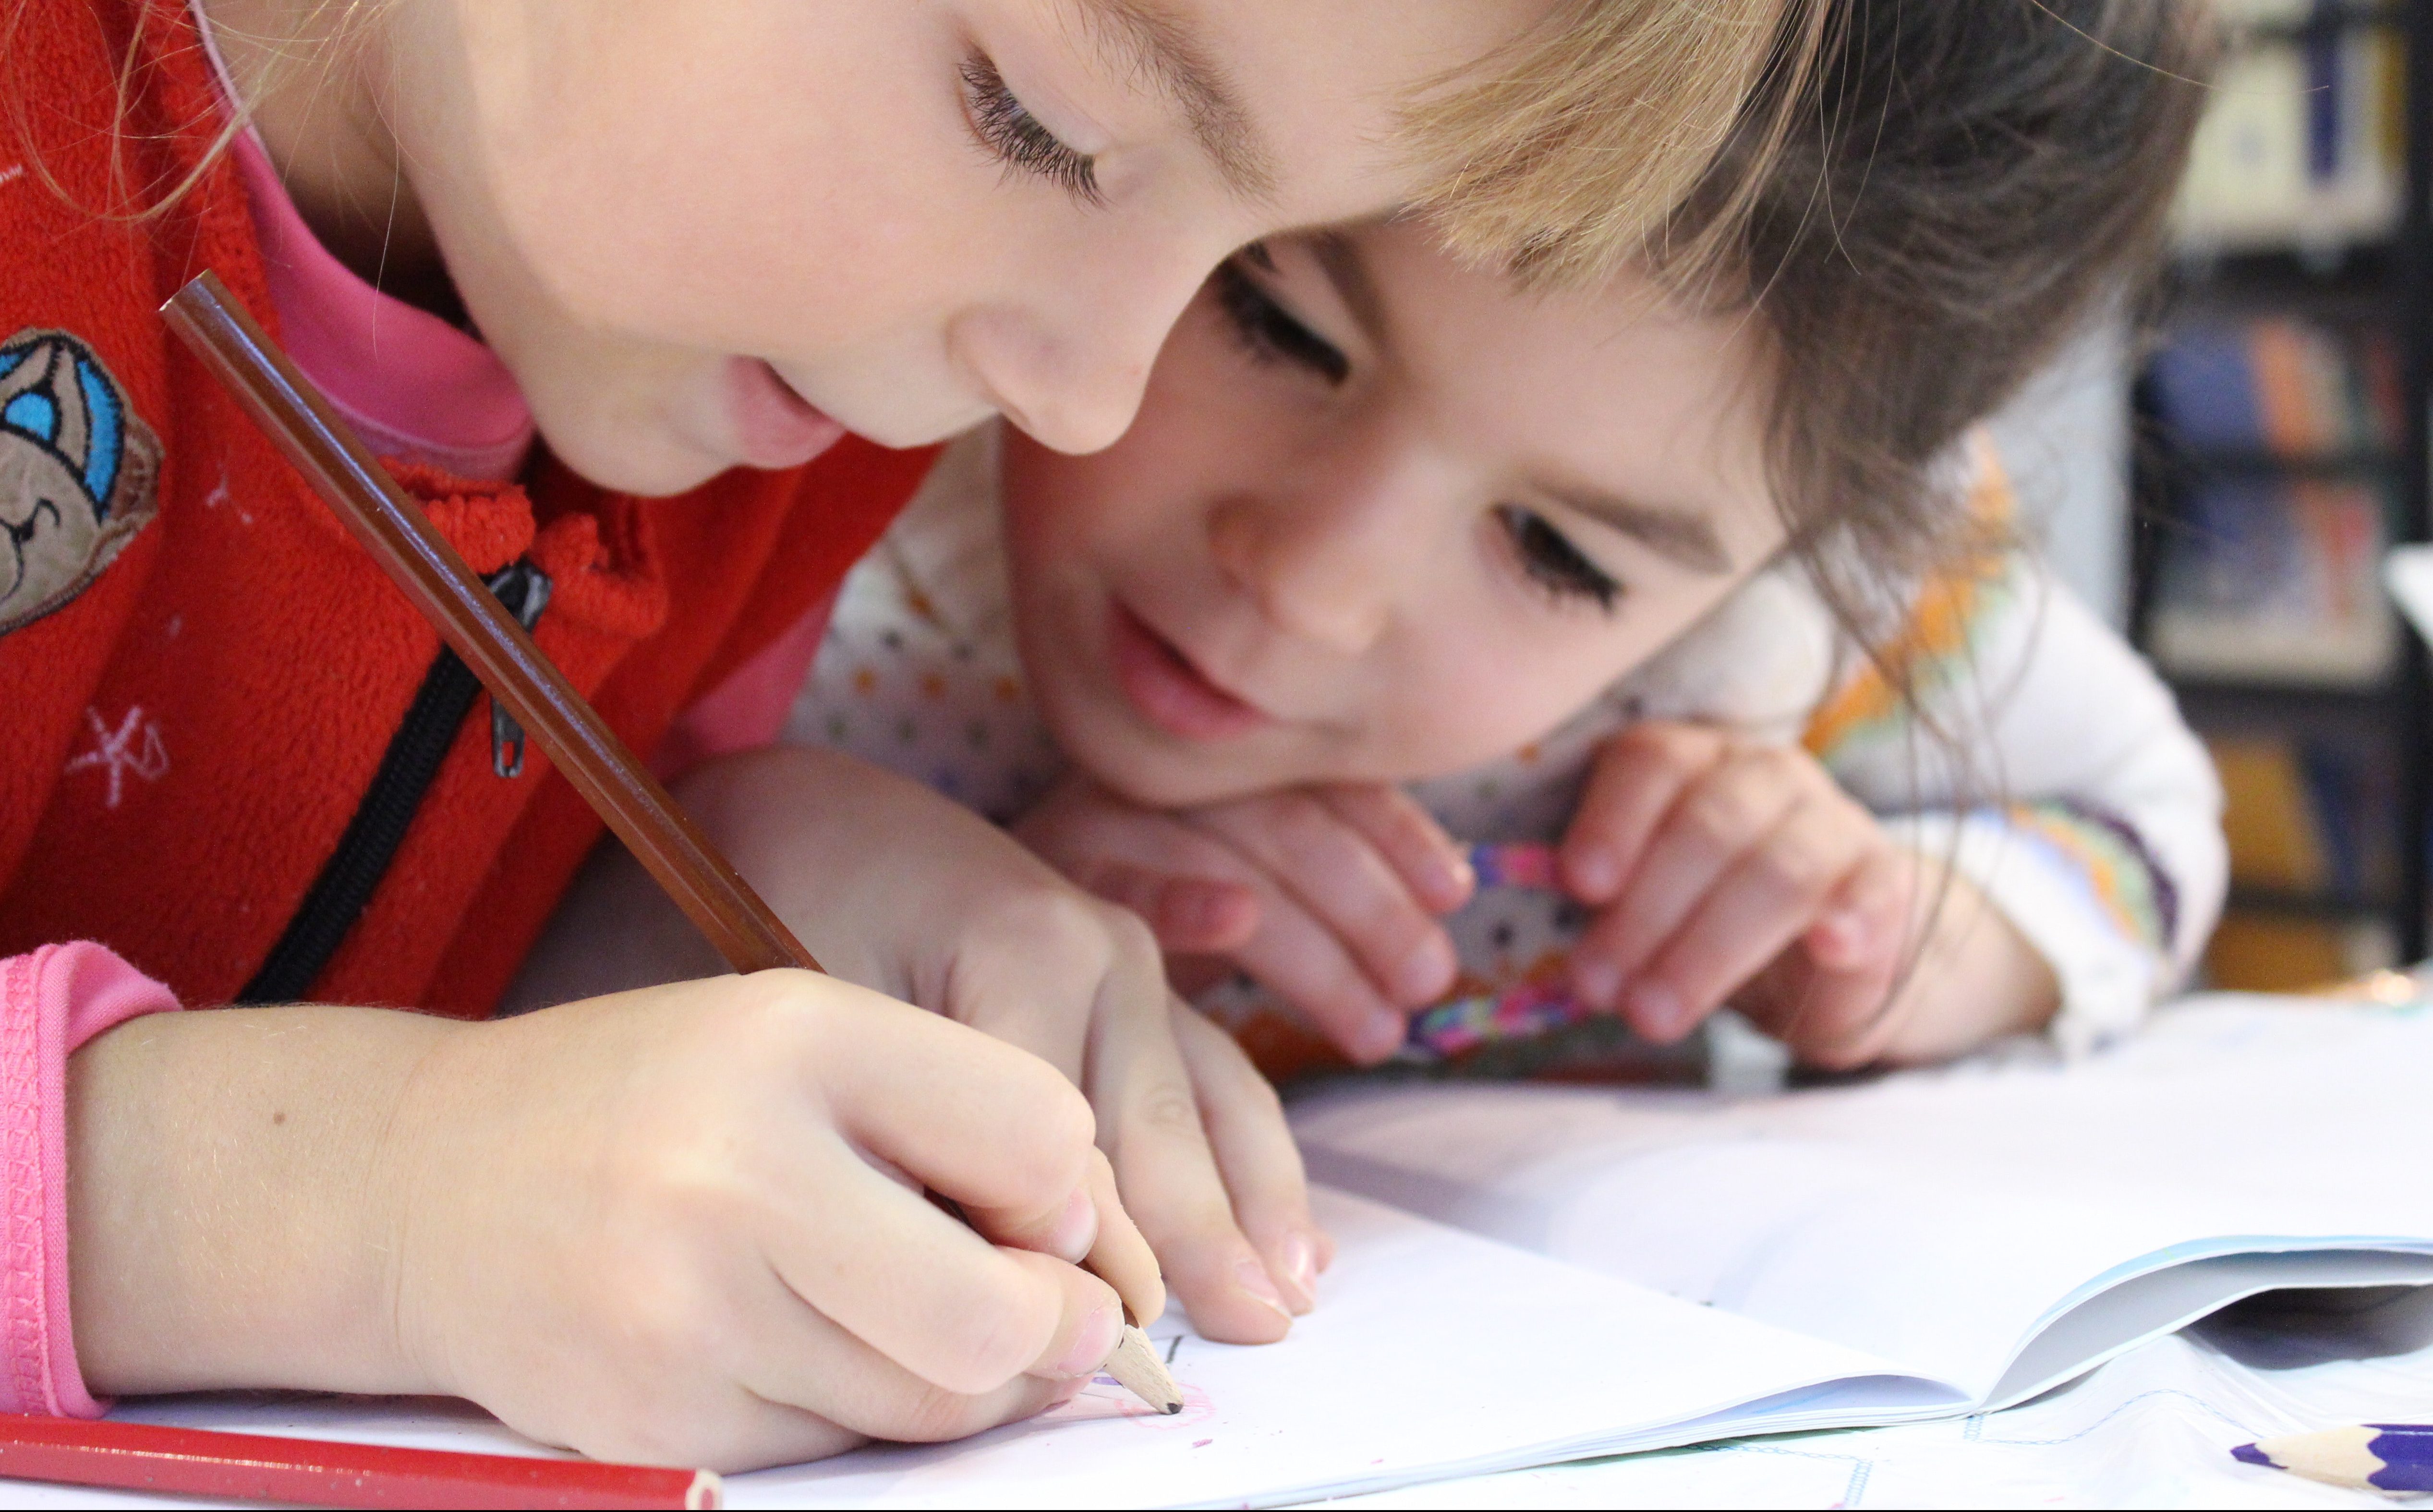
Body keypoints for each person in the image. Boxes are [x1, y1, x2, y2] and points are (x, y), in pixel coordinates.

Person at [0, 0, 1814, 1471]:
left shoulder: (778, 405)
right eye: (1041, 122)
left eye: (1243, 251)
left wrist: (713, 892)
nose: (1088, 396)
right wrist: (373, 1206)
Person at [773, 0, 2226, 1082]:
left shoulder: (1804, 633)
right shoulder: (815, 448)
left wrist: (1908, 940)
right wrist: (895, 916)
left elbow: (2147, 823)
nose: (1310, 585)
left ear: (1806, 552)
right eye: (1274, 326)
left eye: (1557, 555)